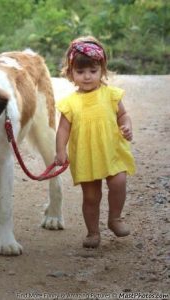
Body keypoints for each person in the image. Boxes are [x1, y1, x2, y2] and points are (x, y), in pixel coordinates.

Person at [55, 36, 136, 248]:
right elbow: (63, 129)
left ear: (102, 70)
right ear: (71, 73)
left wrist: (126, 126)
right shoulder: (70, 102)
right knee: (91, 197)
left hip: (112, 150)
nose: (87, 77)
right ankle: (93, 232)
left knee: (119, 182)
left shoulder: (111, 95)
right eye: (80, 72)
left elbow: (123, 115)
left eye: (93, 71)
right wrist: (60, 150)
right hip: (86, 155)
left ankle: (115, 218)